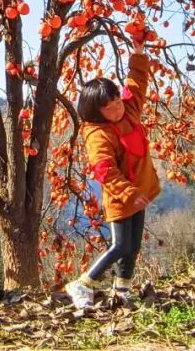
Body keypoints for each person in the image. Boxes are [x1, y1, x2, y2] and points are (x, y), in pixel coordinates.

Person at [65, 40, 160, 309]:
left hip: (139, 193)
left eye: (117, 99)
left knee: (133, 247)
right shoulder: (98, 134)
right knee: (120, 245)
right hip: (121, 198)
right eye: (110, 106)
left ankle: (122, 290)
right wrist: (129, 193)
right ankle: (84, 283)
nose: (118, 106)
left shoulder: (129, 111)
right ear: (97, 111)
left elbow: (137, 85)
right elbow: (104, 170)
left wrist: (138, 54)